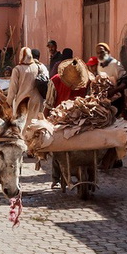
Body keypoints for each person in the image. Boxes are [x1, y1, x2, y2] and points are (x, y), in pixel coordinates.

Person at [45, 58, 91, 188]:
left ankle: (58, 177)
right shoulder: (55, 81)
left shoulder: (88, 80)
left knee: (60, 146)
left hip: (82, 118)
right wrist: (45, 121)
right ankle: (56, 177)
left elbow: (91, 100)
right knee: (57, 146)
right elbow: (49, 103)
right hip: (60, 118)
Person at [6, 47, 45, 134]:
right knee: (34, 124)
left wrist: (8, 103)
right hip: (37, 100)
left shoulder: (17, 69)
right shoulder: (38, 67)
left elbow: (13, 89)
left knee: (22, 126)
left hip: (22, 101)